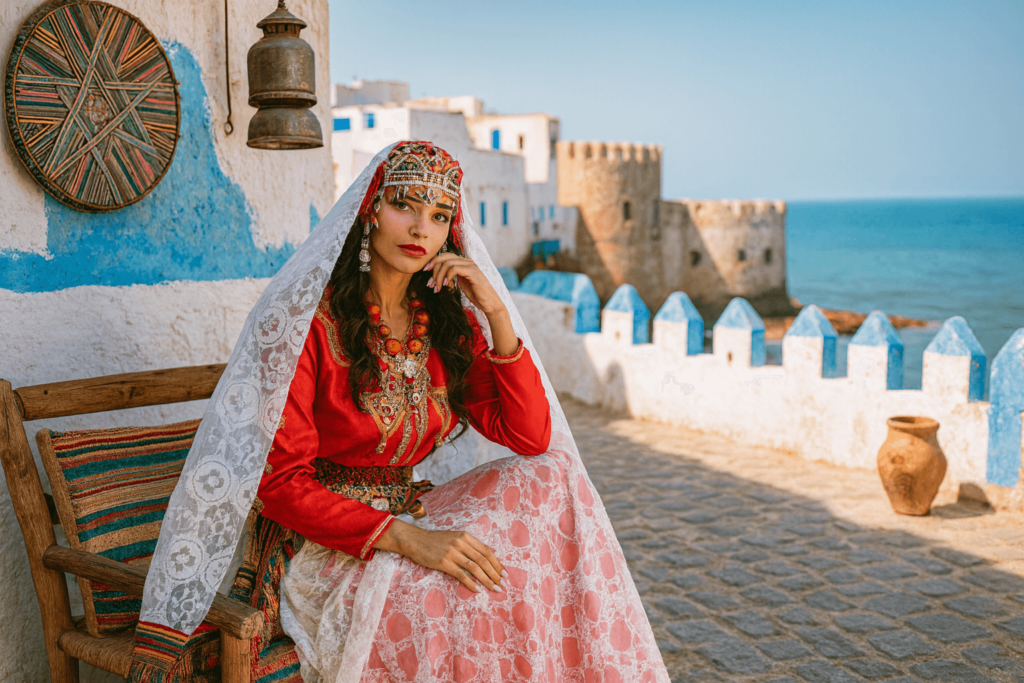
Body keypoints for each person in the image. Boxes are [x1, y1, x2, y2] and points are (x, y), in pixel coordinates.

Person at [130, 142, 669, 683]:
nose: (420, 229)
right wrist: (412, 540)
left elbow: (529, 435)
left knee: (555, 475)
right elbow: (280, 485)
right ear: (370, 210)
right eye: (405, 206)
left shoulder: (442, 325)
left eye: (439, 217)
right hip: (324, 548)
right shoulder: (306, 326)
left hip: (411, 509)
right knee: (469, 600)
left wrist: (497, 312)